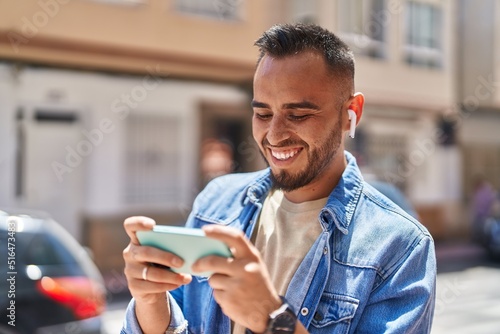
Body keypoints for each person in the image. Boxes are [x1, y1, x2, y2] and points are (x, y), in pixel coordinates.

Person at [122, 23, 436, 334]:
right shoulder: (216, 202)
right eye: (262, 114)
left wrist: (271, 319)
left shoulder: (401, 247)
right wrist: (149, 301)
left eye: (298, 115)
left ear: (350, 112)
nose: (274, 136)